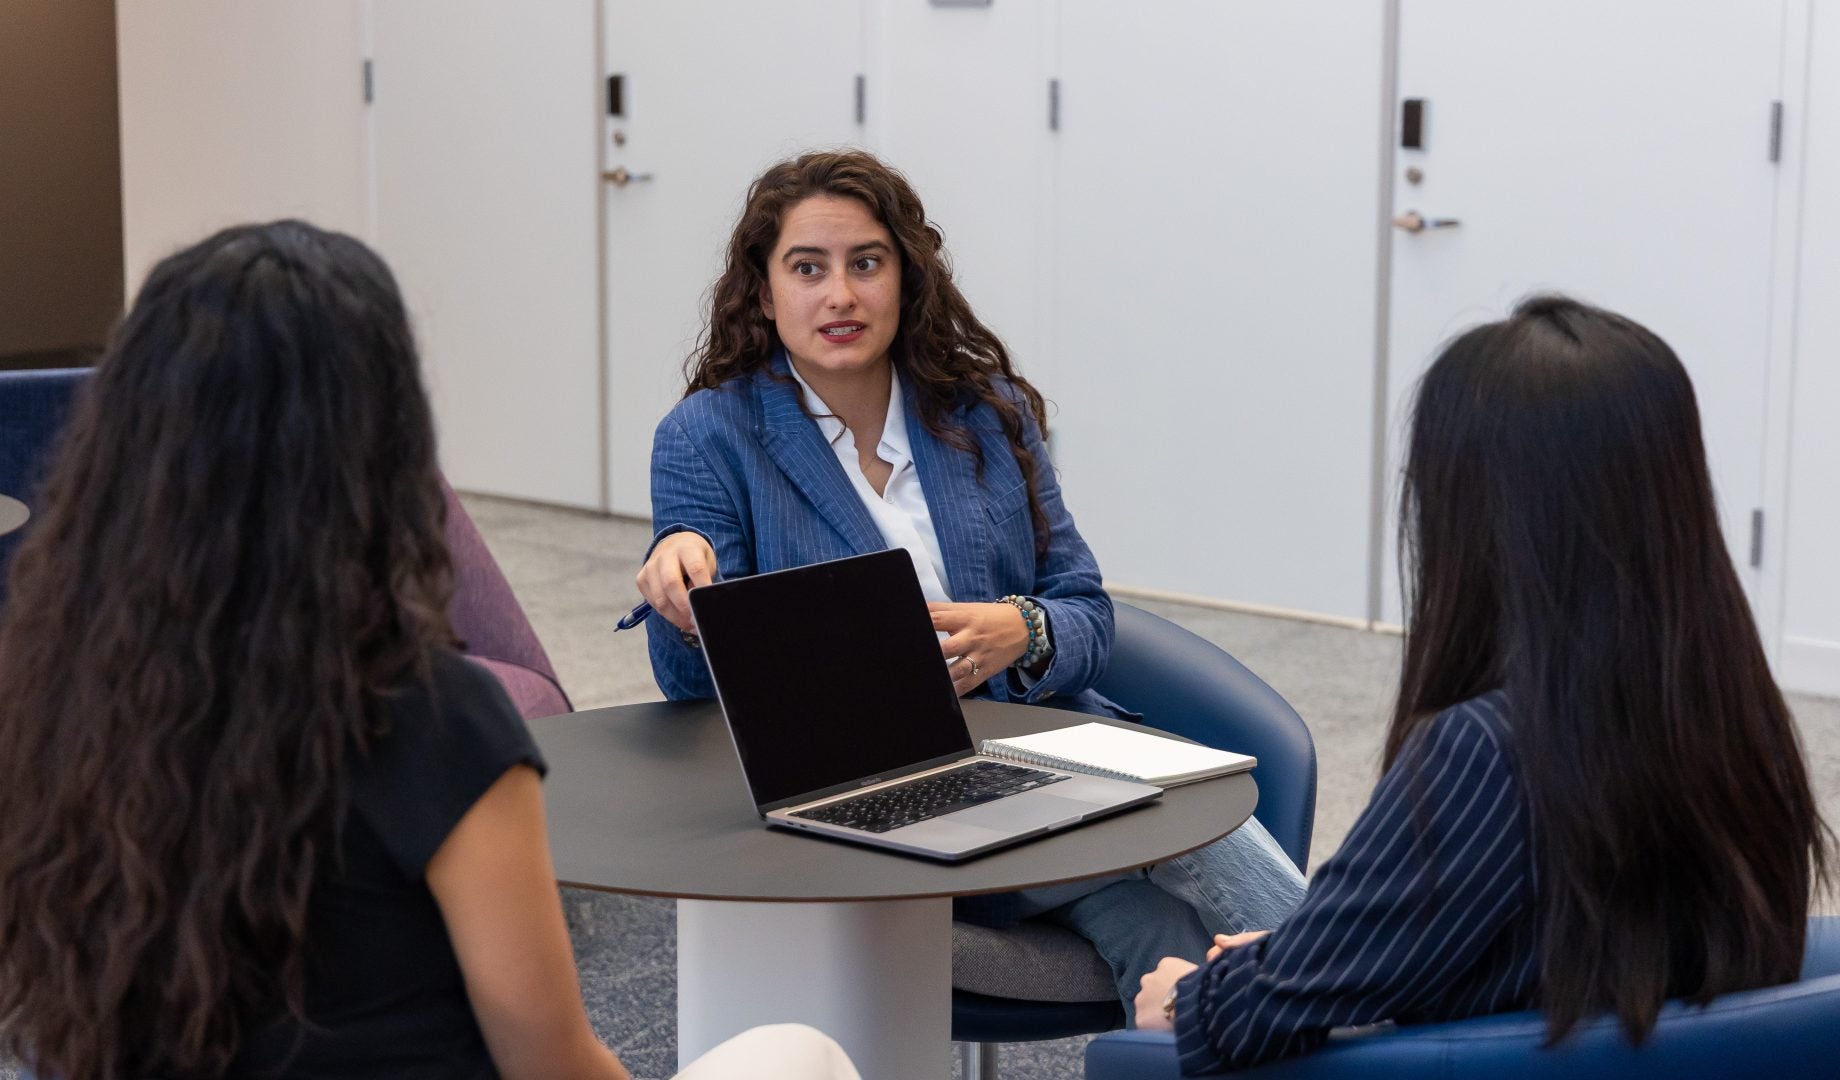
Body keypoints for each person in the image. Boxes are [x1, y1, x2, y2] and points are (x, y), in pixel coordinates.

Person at [0, 221, 859, 1080]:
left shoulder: (59, 687)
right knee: (799, 1052)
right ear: (378, 444)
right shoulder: (428, 716)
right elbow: (552, 1063)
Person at [630, 150, 1305, 1014]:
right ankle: (1368, 982)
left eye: (866, 263)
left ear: (905, 278)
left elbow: (1087, 611)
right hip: (862, 795)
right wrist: (682, 594)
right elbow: (692, 692)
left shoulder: (984, 410)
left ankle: (1317, 1009)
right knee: (1179, 830)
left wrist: (1024, 630)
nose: (841, 295)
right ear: (764, 293)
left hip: (1030, 756)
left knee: (1163, 939)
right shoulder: (708, 435)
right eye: (808, 268)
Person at [1134, 296, 1833, 1072]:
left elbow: (1246, 1018)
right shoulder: (1732, 706)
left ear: (1476, 513)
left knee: (1145, 1006)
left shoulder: (1485, 750)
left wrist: (1188, 997)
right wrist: (1314, 951)